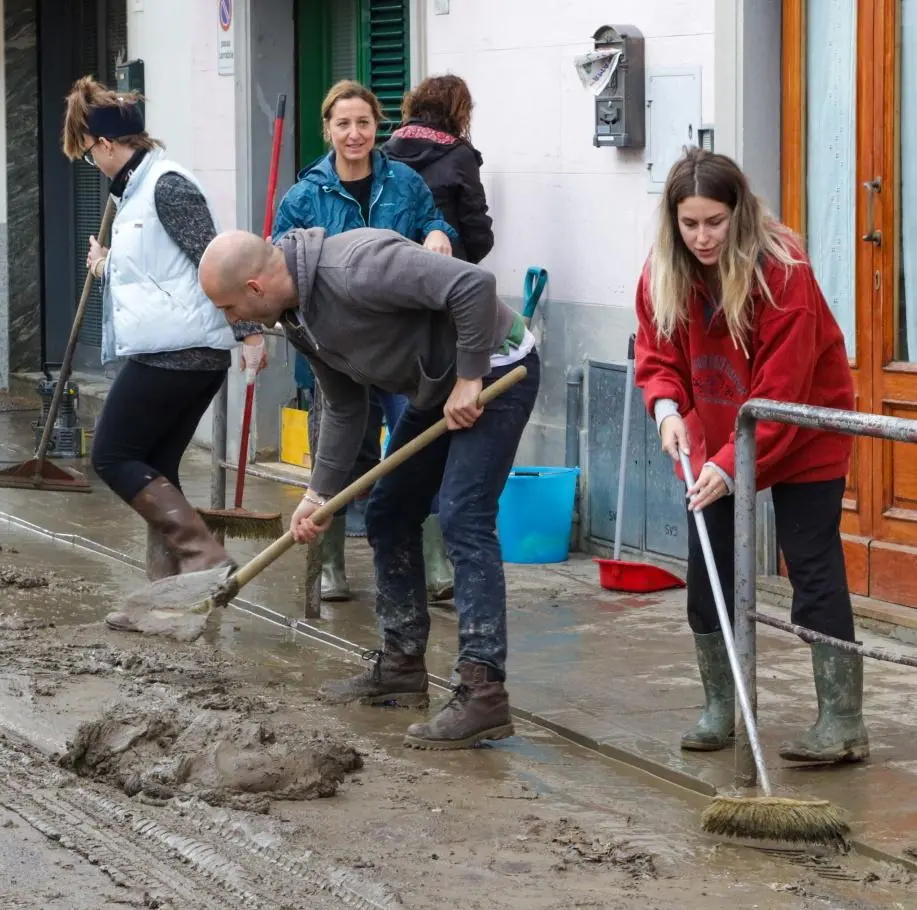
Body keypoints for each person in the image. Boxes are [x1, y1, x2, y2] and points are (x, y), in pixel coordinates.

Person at [198, 226, 540, 750]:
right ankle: (403, 665)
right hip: (439, 384)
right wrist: (318, 496)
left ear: (254, 288)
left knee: (462, 516)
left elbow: (472, 285)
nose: (231, 320)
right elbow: (344, 404)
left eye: (228, 306)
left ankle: (483, 693)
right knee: (388, 513)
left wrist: (471, 378)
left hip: (496, 367)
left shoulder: (355, 268)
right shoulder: (297, 318)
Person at [635, 147, 869, 764]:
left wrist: (732, 465)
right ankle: (723, 706)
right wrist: (665, 410)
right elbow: (657, 357)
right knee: (707, 558)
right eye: (690, 224)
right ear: (674, 221)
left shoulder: (782, 269)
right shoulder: (664, 269)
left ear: (738, 213)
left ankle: (842, 721)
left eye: (715, 222)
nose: (703, 237)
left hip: (802, 426)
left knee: (811, 564)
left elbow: (782, 389)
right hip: (716, 431)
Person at [60, 77, 266, 633]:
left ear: (105, 145)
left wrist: (248, 328)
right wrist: (107, 264)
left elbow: (214, 258)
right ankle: (166, 599)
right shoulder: (133, 191)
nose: (91, 164)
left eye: (87, 154)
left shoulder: (167, 185)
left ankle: (204, 558)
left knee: (112, 455)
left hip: (181, 352)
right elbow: (157, 273)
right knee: (157, 469)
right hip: (173, 347)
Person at [273, 79, 458, 605]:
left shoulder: (405, 183)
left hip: (404, 346)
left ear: (378, 127)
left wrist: (439, 232)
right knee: (338, 456)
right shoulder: (305, 195)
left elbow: (432, 222)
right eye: (343, 123)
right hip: (336, 350)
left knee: (414, 447)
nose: (354, 134)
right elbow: (275, 259)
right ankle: (329, 565)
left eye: (364, 123)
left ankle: (432, 560)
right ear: (327, 129)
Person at [383, 73, 494, 265]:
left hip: (393, 262)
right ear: (458, 112)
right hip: (446, 262)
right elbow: (474, 219)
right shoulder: (460, 154)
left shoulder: (385, 150)